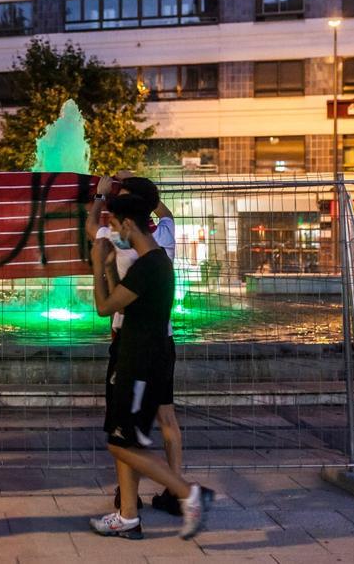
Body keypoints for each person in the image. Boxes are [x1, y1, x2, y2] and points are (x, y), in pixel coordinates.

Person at [89, 193, 210, 541]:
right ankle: (127, 516)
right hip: (138, 356)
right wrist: (111, 267)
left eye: (114, 223)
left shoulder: (149, 266)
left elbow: (103, 306)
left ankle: (188, 494)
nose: (111, 229)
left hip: (140, 362)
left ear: (129, 224)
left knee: (121, 444)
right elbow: (122, 305)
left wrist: (99, 265)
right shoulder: (152, 261)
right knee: (125, 439)